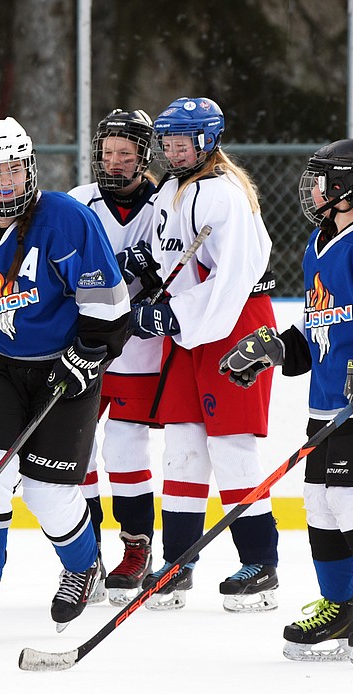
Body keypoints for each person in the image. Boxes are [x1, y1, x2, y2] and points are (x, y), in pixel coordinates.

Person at [219, 139, 353, 667]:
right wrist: (275, 348)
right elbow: (320, 332)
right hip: (328, 404)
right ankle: (342, 608)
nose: (312, 189)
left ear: (346, 186)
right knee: (319, 502)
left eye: (321, 179)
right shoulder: (319, 244)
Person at [0, 116, 130, 641]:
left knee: (47, 493)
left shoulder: (65, 217)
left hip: (65, 366)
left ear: (29, 167)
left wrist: (88, 355)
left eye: (13, 168)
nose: (4, 181)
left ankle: (83, 566)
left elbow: (109, 304)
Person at [130, 97, 281, 612]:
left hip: (235, 325)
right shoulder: (172, 189)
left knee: (232, 448)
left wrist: (178, 315)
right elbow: (170, 258)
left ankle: (261, 562)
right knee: (183, 445)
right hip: (193, 328)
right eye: (167, 143)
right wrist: (147, 269)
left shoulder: (224, 196)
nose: (172, 152)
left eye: (182, 143)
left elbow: (234, 278)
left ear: (207, 142)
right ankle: (179, 562)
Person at [68, 108, 163, 606]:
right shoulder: (79, 202)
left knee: (125, 450)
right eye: (107, 153)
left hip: (139, 349)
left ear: (143, 156)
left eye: (125, 154)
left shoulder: (164, 205)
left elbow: (180, 268)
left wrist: (153, 276)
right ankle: (87, 556)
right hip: (85, 344)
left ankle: (136, 548)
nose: (115, 162)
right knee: (76, 451)